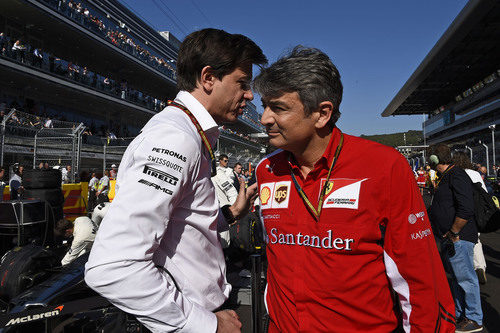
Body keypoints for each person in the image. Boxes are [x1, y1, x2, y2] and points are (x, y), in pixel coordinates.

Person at [253, 46, 454, 332]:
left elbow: (419, 276)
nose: (264, 119)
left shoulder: (384, 166)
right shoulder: (266, 171)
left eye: (278, 108)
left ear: (322, 114)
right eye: (264, 106)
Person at [85, 28, 266, 333]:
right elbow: (112, 266)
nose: (249, 95)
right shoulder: (175, 138)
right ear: (208, 78)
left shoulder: (189, 132)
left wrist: (232, 212)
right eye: (242, 83)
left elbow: (181, 227)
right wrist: (205, 325)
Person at [428, 144, 483, 332]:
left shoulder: (456, 175)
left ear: (434, 160)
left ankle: (474, 318)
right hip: (450, 238)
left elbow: (466, 208)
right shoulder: (447, 176)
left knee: (466, 279)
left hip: (458, 238)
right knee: (457, 280)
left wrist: (454, 232)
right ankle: (461, 316)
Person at [452, 152, 488, 286]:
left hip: (462, 210)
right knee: (476, 239)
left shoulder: (456, 174)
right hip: (477, 209)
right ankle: (480, 266)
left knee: (462, 240)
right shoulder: (475, 174)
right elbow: (485, 192)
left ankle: (468, 269)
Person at [212, 155, 240, 248]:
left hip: (222, 213)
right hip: (207, 216)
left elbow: (231, 192)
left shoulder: (218, 173)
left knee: (223, 246)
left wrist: (232, 212)